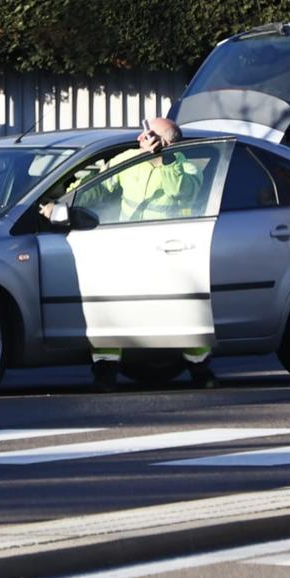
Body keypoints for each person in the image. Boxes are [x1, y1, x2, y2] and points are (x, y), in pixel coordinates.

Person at [82, 117, 216, 392]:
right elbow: (96, 187)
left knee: (182, 313)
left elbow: (182, 191)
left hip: (167, 250)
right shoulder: (129, 158)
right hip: (127, 247)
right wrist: (63, 196)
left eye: (146, 135)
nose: (139, 140)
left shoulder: (183, 164)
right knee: (111, 310)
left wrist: (161, 162)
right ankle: (105, 373)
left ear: (164, 141)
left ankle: (200, 369)